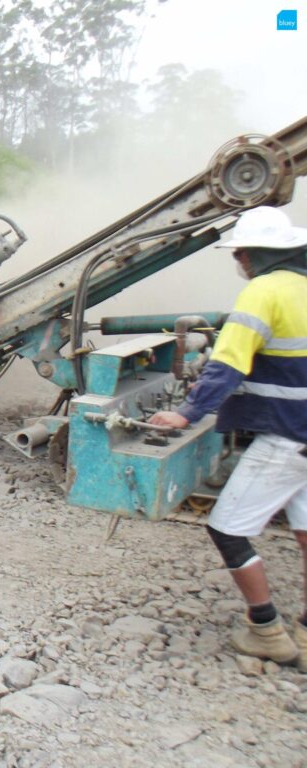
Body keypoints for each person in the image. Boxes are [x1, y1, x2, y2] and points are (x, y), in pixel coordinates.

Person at [149, 205, 307, 670]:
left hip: (288, 434)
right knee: (304, 531)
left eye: (238, 254)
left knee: (227, 528)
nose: (237, 262)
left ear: (250, 255)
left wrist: (187, 412)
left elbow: (229, 362)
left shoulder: (263, 291)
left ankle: (266, 630)